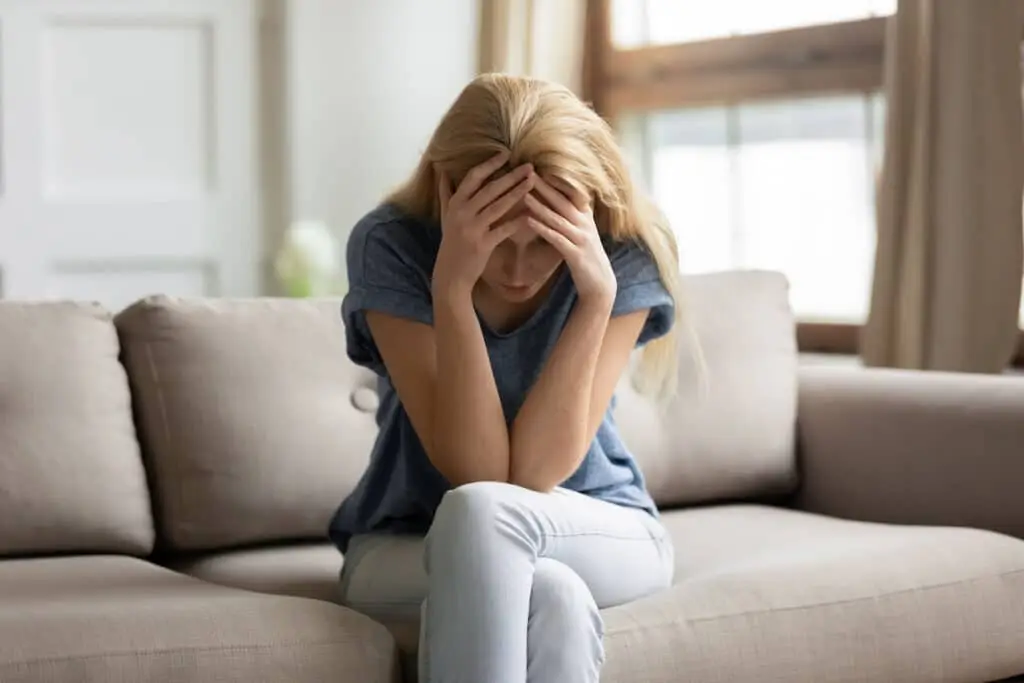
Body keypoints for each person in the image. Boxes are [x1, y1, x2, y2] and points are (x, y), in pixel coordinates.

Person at [329, 73, 684, 683]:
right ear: (448, 194)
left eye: (544, 245)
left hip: (600, 527)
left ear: (589, 212)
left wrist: (596, 297)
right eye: (499, 243)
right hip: (406, 543)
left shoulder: (621, 253)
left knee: (490, 519)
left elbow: (536, 475)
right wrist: (451, 287)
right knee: (550, 593)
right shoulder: (391, 245)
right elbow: (482, 474)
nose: (519, 271)